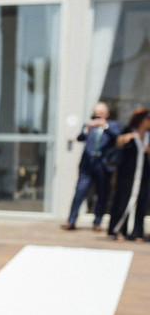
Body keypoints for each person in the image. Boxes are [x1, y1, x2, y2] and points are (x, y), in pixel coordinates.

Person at [63, 102, 120, 231]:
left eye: (100, 113)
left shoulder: (113, 126)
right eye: (95, 113)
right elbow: (80, 137)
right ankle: (71, 221)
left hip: (103, 165)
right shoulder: (89, 125)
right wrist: (87, 129)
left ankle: (97, 222)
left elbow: (117, 137)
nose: (97, 116)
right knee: (80, 192)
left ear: (106, 114)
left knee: (102, 193)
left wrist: (105, 126)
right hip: (87, 165)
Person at [106, 107, 149, 242]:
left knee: (140, 202)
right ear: (141, 120)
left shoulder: (148, 135)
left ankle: (136, 233)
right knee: (122, 200)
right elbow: (117, 143)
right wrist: (127, 138)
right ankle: (118, 230)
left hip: (143, 174)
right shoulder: (128, 131)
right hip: (127, 174)